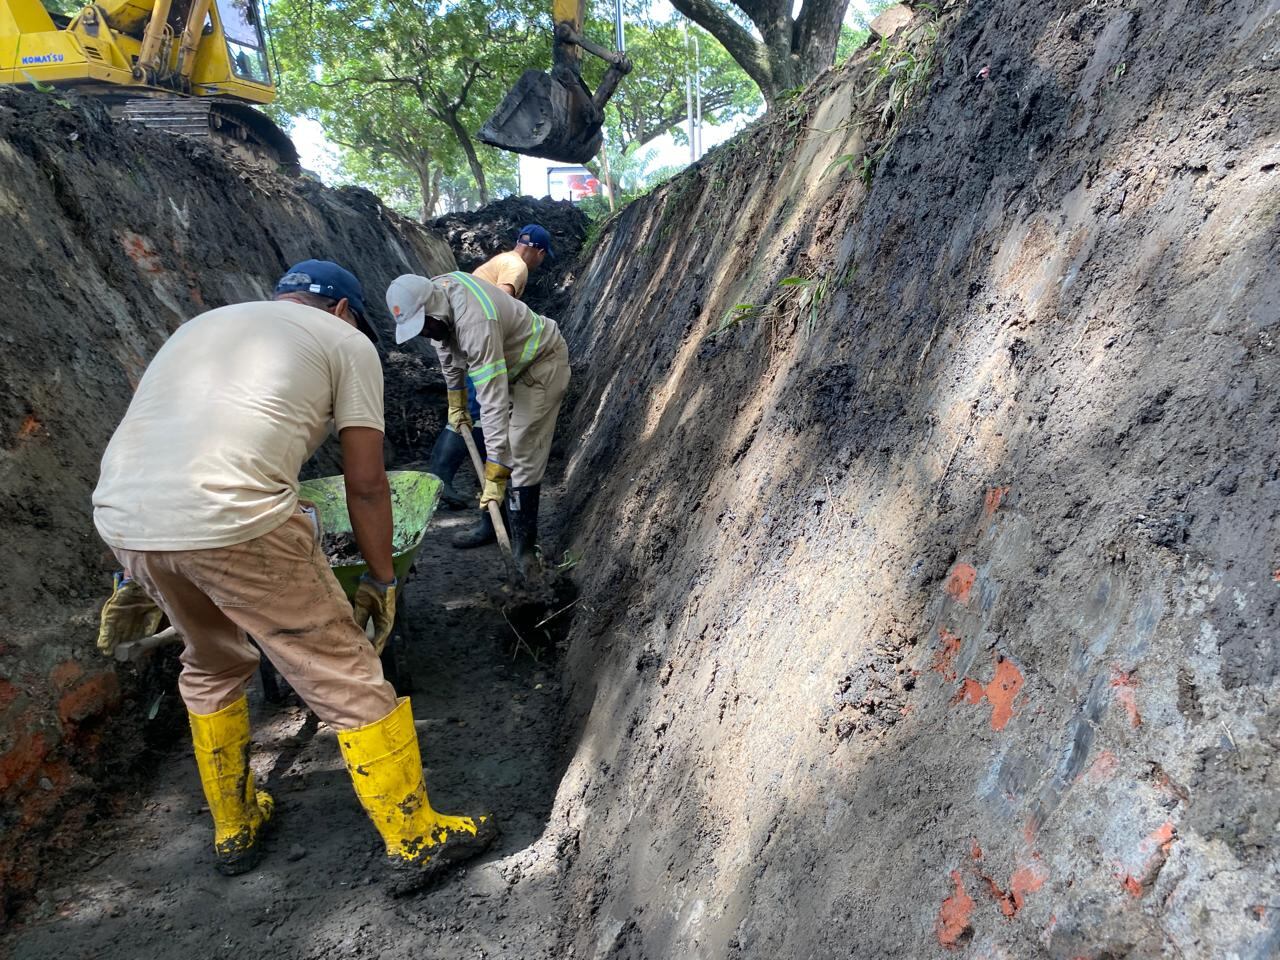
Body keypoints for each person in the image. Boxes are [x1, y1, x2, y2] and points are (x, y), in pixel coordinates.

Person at [93, 260, 496, 881]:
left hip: (124, 520)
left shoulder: (202, 326)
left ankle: (235, 826)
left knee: (211, 663)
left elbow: (156, 445)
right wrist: (382, 579)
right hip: (235, 519)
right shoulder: (345, 341)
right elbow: (366, 485)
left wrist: (131, 573)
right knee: (345, 672)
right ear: (342, 310)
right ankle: (416, 838)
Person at [388, 269, 569, 574]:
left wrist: (498, 473)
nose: (425, 333)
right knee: (490, 442)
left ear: (432, 310)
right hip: (509, 369)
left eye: (425, 327)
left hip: (539, 367)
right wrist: (456, 403)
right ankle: (492, 524)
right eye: (419, 331)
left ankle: (525, 552)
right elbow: (447, 355)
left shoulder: (476, 321)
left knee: (519, 452)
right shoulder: (437, 307)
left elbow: (493, 399)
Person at [427, 225, 555, 541]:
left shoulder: (500, 260)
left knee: (477, 422)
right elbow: (502, 305)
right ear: (538, 251)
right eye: (543, 257)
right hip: (480, 349)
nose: (540, 262)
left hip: (472, 347)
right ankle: (474, 493)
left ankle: (451, 479)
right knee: (485, 421)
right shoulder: (517, 266)